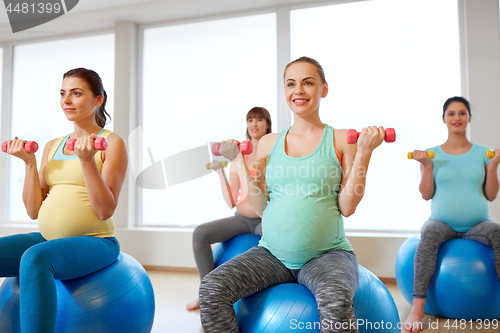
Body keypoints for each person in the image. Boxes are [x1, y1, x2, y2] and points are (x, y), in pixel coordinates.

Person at [198, 56, 388, 333]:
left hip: (327, 255)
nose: (298, 90)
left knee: (335, 303)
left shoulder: (340, 139)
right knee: (212, 288)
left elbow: (347, 206)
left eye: (308, 83)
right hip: (272, 253)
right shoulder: (268, 143)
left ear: (324, 89)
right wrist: (238, 161)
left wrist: (364, 152)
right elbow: (262, 207)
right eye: (291, 84)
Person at [0, 68, 128, 333]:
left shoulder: (111, 143)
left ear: (98, 100)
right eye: (63, 93)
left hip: (96, 242)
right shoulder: (52, 145)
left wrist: (86, 160)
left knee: (36, 259)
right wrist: (29, 163)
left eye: (76, 93)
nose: (66, 100)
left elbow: (105, 210)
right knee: (29, 252)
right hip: (48, 240)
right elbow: (34, 210)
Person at [404, 96, 500, 332]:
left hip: (477, 225)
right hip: (442, 223)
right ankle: (418, 307)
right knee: (428, 232)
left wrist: (493, 167)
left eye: (462, 113)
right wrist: (426, 166)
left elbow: (491, 195)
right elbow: (426, 194)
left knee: (498, 232)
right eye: (452, 113)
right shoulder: (431, 154)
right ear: (444, 118)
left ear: (469, 117)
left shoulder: (483, 154)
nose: (457, 118)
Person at [186, 107, 272, 311]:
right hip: (241, 219)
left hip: (265, 219)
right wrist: (220, 173)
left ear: (268, 124)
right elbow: (231, 201)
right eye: (250, 120)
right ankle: (205, 292)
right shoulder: (237, 157)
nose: (254, 124)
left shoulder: (273, 153)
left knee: (279, 241)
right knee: (201, 233)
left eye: (259, 120)